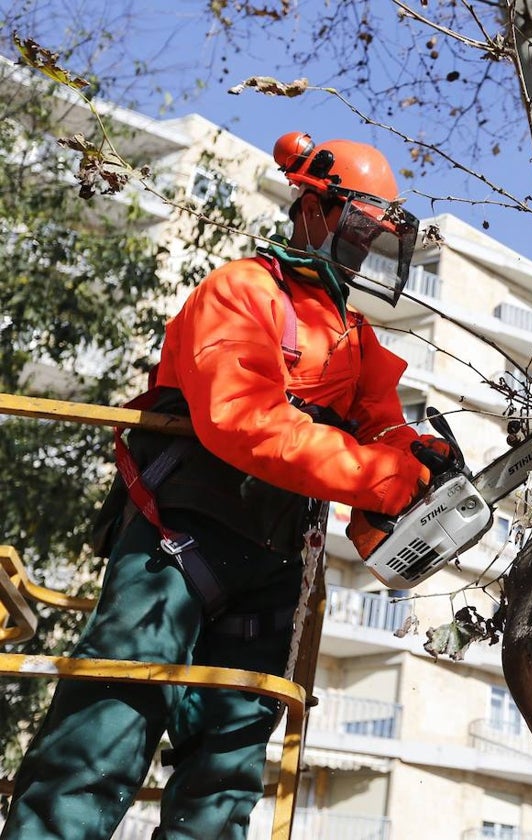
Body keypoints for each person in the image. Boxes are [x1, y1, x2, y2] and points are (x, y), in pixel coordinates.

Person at [0, 132, 454, 840]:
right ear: (312, 207)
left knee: (232, 752)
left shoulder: (355, 339)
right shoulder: (245, 290)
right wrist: (381, 476)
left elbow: (383, 432)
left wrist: (421, 465)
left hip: (277, 562)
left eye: (377, 238)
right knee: (111, 718)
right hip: (178, 536)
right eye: (358, 229)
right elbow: (243, 420)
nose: (365, 249)